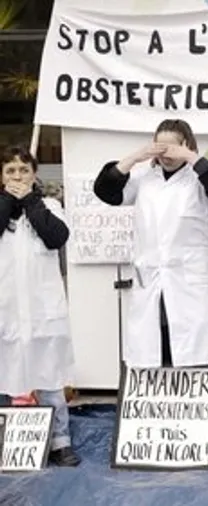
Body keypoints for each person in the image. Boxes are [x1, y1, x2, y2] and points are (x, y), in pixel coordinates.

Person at [93, 119, 208, 368]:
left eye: (172, 148)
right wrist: (135, 157)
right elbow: (105, 191)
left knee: (188, 355)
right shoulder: (144, 179)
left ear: (187, 145)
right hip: (151, 281)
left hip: (189, 283)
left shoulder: (200, 179)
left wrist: (190, 156)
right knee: (152, 351)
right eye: (160, 148)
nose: (166, 155)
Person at [0, 145, 80, 466]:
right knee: (5, 372)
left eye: (24, 170)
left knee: (49, 375)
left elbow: (56, 237)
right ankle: (11, 441)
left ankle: (60, 441)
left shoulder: (50, 206)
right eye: (10, 170)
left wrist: (30, 202)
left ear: (34, 174)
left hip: (42, 310)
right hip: (6, 308)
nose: (17, 176)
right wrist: (8, 202)